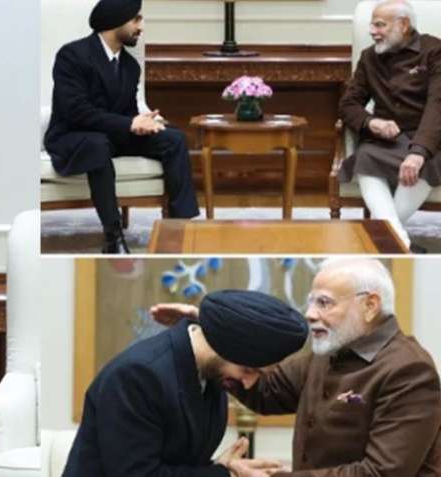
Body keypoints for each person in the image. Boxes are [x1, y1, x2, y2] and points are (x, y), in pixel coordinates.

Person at [154, 258, 441, 476]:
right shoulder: (330, 351)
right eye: (311, 302)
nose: (310, 314)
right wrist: (214, 334)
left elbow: (380, 472)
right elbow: (265, 390)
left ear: (370, 305)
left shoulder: (409, 371)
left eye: (324, 303)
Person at [63, 290, 309, 477]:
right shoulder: (137, 376)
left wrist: (225, 468)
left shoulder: (211, 374)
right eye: (248, 370)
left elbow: (179, 462)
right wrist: (221, 473)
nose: (248, 384)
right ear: (225, 344)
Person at [44, 0, 199, 254]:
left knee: (173, 138)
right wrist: (129, 123)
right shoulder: (72, 55)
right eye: (136, 19)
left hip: (112, 135)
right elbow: (75, 112)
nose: (141, 27)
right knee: (97, 144)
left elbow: (126, 113)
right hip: (73, 136)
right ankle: (113, 237)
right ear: (116, 20)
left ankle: (180, 228)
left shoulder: (130, 66)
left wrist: (144, 122)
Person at [338, 0, 441, 253]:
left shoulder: (434, 51)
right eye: (372, 25)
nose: (372, 31)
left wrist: (418, 152)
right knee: (365, 156)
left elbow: (437, 105)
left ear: (403, 25)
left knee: (429, 161)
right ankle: (399, 242)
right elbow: (348, 104)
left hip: (429, 136)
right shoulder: (369, 57)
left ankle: (385, 240)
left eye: (379, 25)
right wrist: (371, 122)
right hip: (387, 140)